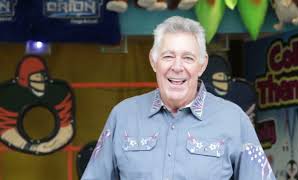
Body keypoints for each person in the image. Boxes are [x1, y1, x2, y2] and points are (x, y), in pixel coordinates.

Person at [81, 16, 276, 180]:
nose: (177, 67)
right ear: (153, 60)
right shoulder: (123, 116)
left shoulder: (233, 119)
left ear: (202, 64)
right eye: (168, 56)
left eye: (188, 58)